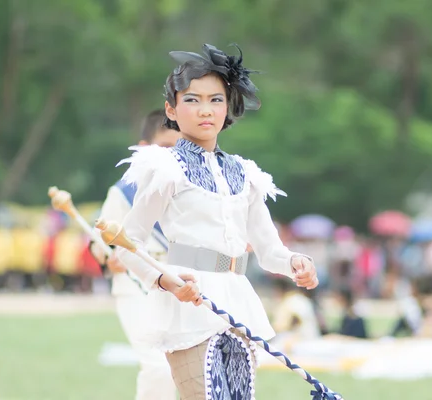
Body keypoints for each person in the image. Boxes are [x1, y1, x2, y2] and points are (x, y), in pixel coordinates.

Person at [114, 43, 319, 400]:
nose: (205, 110)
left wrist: (295, 263)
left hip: (238, 302)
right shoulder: (164, 168)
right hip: (189, 306)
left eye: (216, 100)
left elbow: (269, 250)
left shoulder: (246, 174)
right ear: (171, 109)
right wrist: (164, 279)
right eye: (192, 100)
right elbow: (128, 241)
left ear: (229, 107)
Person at [90, 109, 180, 399]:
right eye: (165, 147)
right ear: (144, 149)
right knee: (158, 367)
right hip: (135, 286)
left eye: (180, 148)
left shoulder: (189, 189)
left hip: (180, 288)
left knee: (184, 370)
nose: (173, 155)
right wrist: (109, 255)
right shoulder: (124, 192)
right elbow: (98, 241)